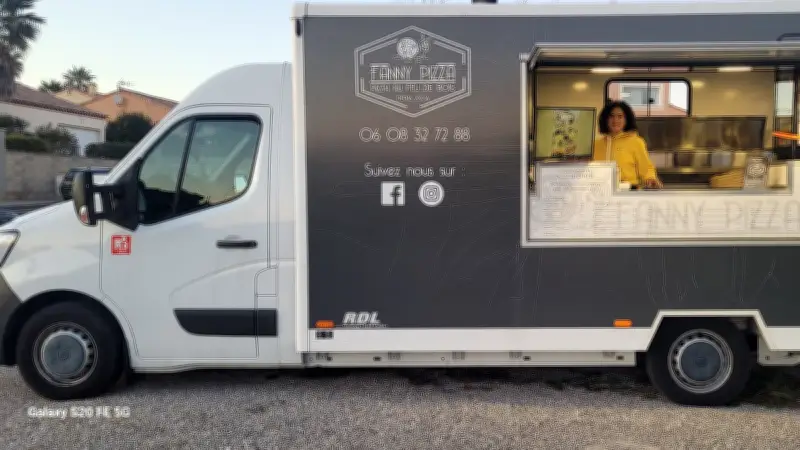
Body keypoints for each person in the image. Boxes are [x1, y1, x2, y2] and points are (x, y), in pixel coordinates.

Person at [592, 101, 663, 189]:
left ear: (626, 120)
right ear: (605, 119)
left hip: (629, 191)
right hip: (601, 190)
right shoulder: (596, 145)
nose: (615, 120)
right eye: (611, 116)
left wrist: (651, 178)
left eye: (620, 116)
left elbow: (646, 168)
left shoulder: (636, 142)